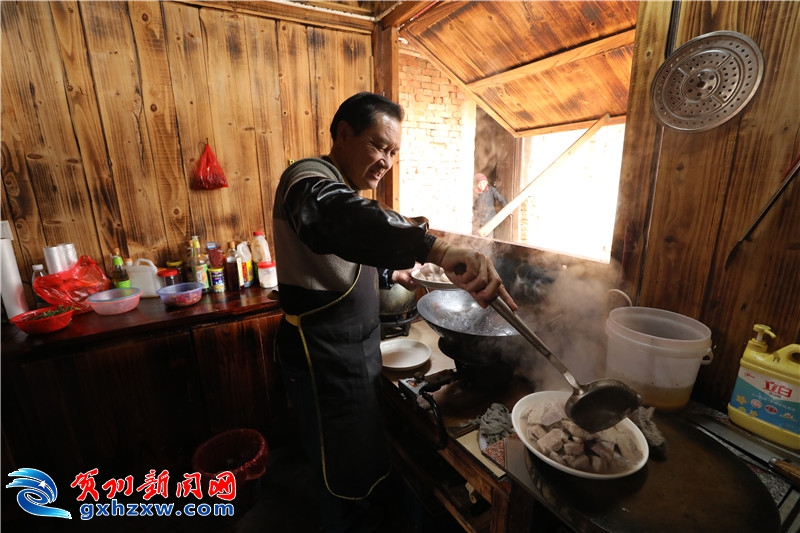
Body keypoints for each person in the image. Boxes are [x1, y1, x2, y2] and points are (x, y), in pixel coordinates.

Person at [272, 92, 516, 532]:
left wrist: (391, 274)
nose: (386, 161)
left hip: (354, 355)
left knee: (361, 463)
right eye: (378, 146)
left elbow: (344, 254)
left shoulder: (342, 188)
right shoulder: (307, 180)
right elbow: (338, 220)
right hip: (321, 361)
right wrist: (436, 247)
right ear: (343, 134)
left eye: (393, 152)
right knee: (341, 477)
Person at [472, 173, 508, 237]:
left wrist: (508, 208)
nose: (482, 185)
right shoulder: (474, 193)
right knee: (477, 240)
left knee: (489, 240)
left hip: (489, 219)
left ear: (487, 183)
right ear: (477, 184)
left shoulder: (491, 190)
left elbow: (500, 198)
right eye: (480, 183)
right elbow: (472, 207)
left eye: (484, 183)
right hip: (478, 221)